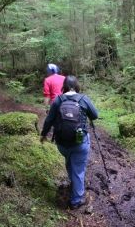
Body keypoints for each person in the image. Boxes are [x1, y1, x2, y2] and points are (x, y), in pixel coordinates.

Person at [40, 75, 98, 210]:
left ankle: (74, 183)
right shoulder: (84, 99)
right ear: (77, 86)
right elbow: (94, 115)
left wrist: (43, 135)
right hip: (79, 143)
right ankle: (76, 200)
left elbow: (49, 120)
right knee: (78, 169)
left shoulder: (57, 100)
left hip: (62, 144)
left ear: (64, 86)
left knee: (70, 161)